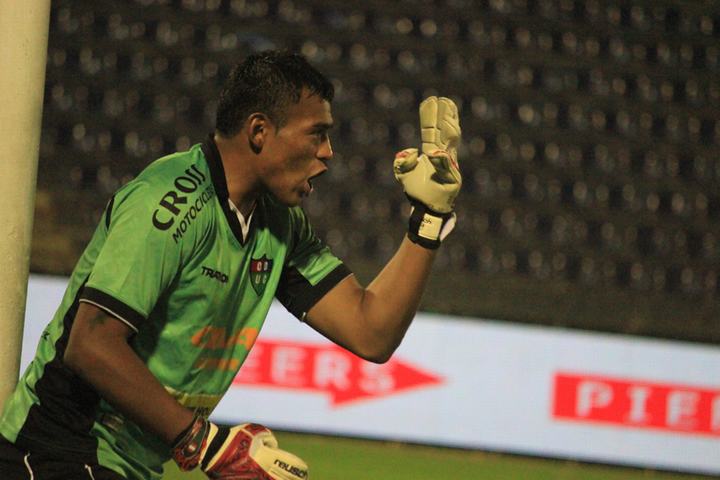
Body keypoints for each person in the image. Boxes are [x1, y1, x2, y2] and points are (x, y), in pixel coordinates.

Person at [0, 50, 461, 480]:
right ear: (259, 131)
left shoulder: (280, 224)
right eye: (316, 133)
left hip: (121, 465)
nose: (327, 152)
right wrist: (205, 443)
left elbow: (371, 332)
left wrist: (429, 218)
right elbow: (91, 344)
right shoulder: (168, 201)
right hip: (55, 449)